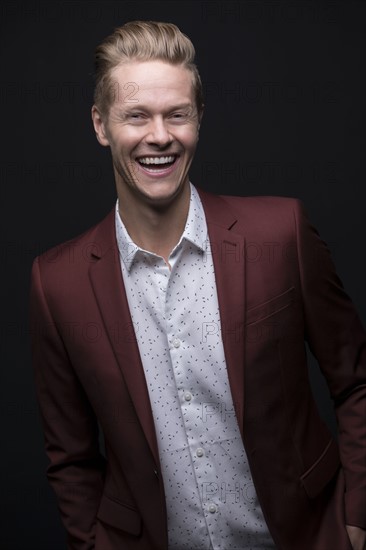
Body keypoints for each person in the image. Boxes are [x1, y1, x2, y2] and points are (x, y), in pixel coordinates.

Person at [30, 20, 366, 550]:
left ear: (199, 120)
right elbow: (71, 458)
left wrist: (355, 519)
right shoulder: (57, 283)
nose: (159, 135)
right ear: (100, 125)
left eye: (177, 114)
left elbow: (356, 382)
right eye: (136, 116)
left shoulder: (282, 234)